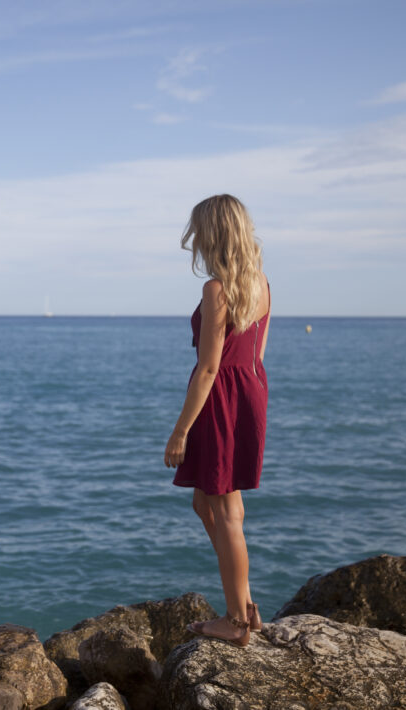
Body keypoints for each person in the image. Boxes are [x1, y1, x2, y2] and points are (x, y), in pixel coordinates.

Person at [163, 194, 270, 647]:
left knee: (224, 511)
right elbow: (258, 353)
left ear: (213, 236)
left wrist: (180, 430)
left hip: (219, 398)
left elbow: (208, 368)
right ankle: (244, 605)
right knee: (210, 505)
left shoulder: (216, 290)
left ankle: (235, 620)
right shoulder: (261, 283)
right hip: (248, 389)